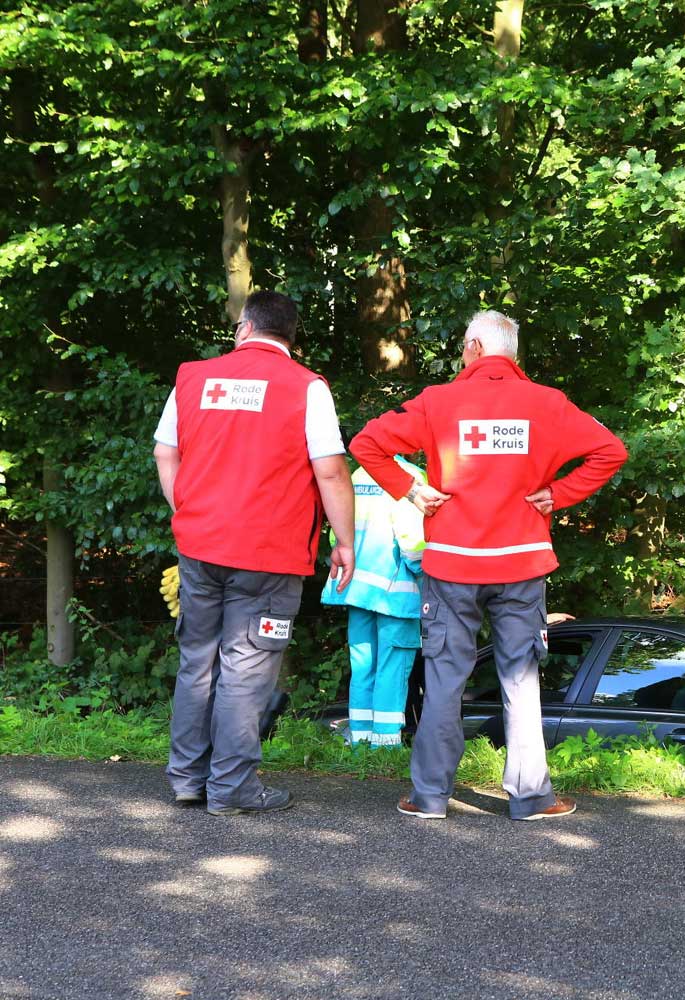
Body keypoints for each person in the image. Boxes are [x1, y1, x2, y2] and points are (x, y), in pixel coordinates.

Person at [350, 310, 627, 821]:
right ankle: (531, 798)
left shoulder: (439, 401)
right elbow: (610, 451)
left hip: (451, 566)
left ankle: (429, 797)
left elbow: (366, 443)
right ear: (510, 352)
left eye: (462, 344)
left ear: (475, 347)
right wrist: (559, 495)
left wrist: (411, 490)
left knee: (445, 679)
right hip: (521, 566)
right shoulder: (548, 404)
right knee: (520, 681)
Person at [152, 290, 355, 816]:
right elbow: (330, 470)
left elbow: (164, 452)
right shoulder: (306, 388)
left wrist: (188, 511)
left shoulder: (193, 377)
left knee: (198, 660)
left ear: (244, 328)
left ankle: (188, 779)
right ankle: (232, 786)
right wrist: (345, 541)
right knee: (247, 668)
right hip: (270, 555)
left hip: (200, 548)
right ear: (290, 337)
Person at [320, 455, 428, 747]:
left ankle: (359, 739)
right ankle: (385, 743)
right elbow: (413, 541)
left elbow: (337, 533)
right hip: (396, 591)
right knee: (392, 665)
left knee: (363, 664)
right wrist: (427, 574)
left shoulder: (358, 475)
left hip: (356, 587)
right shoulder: (410, 476)